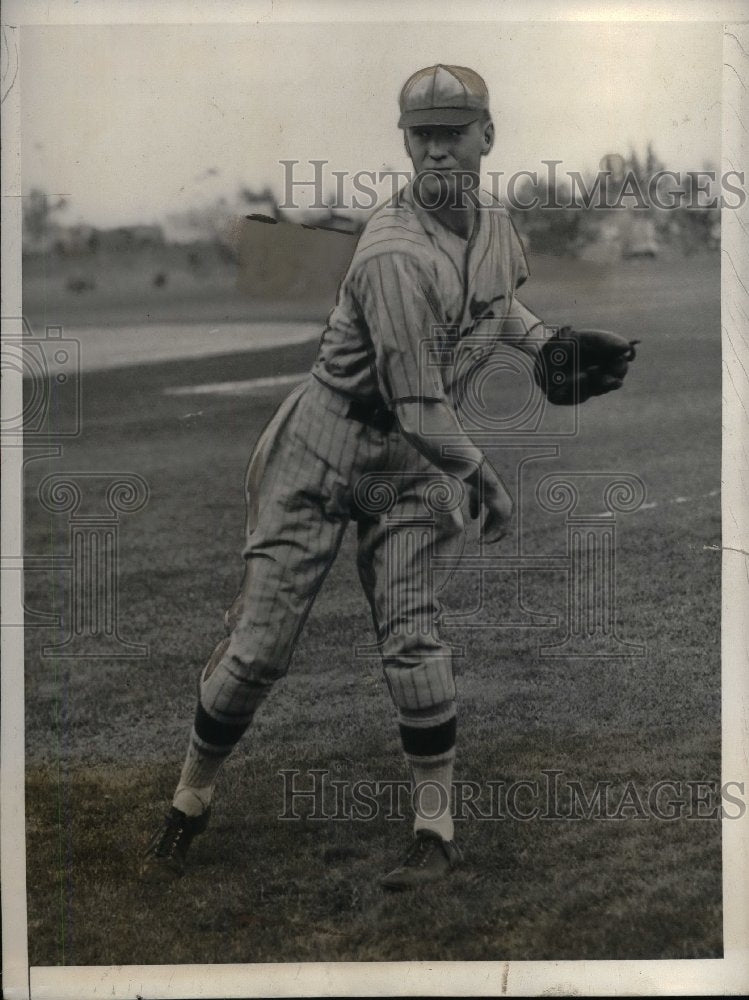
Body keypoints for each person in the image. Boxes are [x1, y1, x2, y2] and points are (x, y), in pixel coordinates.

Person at [142, 64, 550, 890]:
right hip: (328, 441)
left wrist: (548, 345)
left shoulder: (497, 225)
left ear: (487, 135)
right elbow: (416, 401)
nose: (437, 150)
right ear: (404, 142)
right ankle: (191, 796)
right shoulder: (392, 251)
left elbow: (492, 304)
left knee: (413, 634)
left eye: (453, 132)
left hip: (414, 458)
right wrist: (485, 479)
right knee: (260, 649)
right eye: (422, 135)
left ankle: (433, 829)